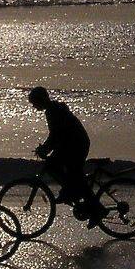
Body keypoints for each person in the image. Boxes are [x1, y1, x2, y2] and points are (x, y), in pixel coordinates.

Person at [27, 86, 99, 227]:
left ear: (41, 100)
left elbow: (56, 135)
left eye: (34, 103)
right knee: (63, 170)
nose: (34, 107)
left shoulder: (53, 111)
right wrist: (46, 148)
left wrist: (45, 149)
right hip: (70, 143)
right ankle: (70, 191)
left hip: (76, 144)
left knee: (71, 173)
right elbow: (56, 135)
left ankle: (97, 210)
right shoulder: (53, 109)